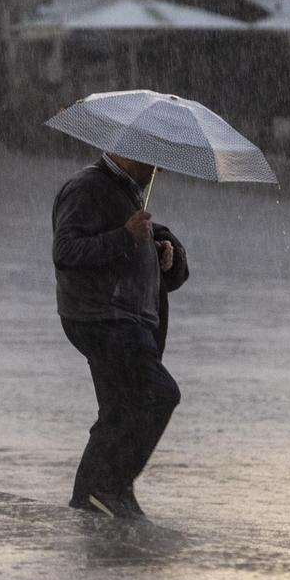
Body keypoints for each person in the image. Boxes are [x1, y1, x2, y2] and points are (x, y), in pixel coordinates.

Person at [52, 152, 189, 519]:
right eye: (152, 163)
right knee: (159, 394)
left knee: (118, 410)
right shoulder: (86, 188)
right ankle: (109, 486)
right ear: (129, 156)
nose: (156, 171)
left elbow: (151, 241)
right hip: (103, 318)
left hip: (129, 320)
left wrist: (167, 252)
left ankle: (91, 499)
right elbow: (65, 252)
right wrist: (125, 237)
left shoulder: (127, 191)